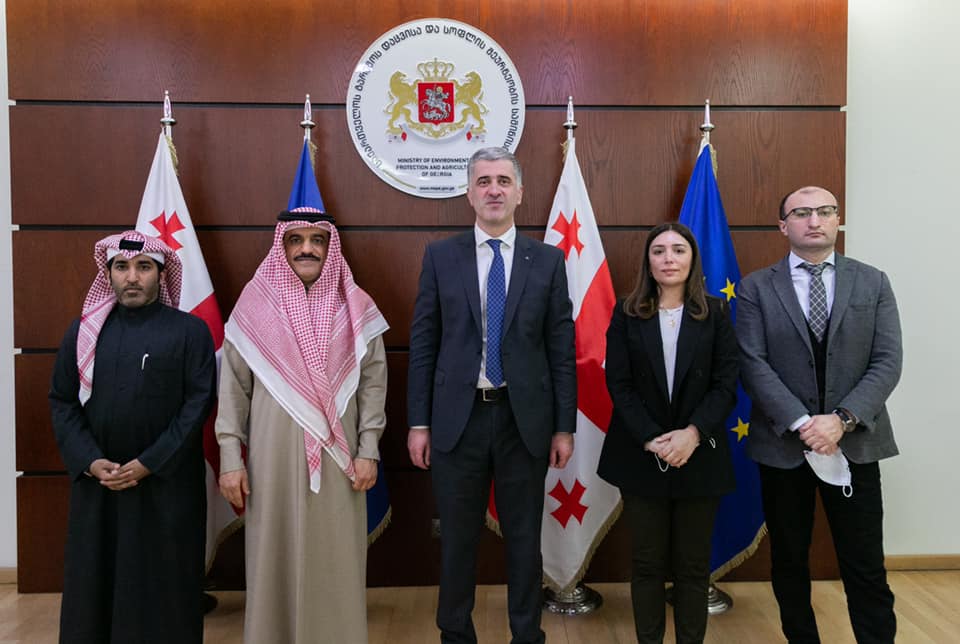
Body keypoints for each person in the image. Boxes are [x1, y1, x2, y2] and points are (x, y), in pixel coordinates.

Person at [407, 146, 577, 644]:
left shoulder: (548, 260)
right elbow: (424, 343)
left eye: (504, 181)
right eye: (484, 182)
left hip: (524, 422)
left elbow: (561, 349)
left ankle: (527, 635)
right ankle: (455, 635)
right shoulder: (441, 257)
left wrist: (563, 427)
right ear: (469, 193)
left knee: (524, 540)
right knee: (458, 540)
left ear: (520, 192)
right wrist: (418, 422)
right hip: (456, 422)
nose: (494, 190)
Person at [215, 165, 389, 643]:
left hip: (341, 460)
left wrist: (369, 449)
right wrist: (231, 459)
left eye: (317, 240)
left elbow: (373, 386)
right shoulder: (253, 306)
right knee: (273, 555)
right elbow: (232, 390)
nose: (306, 248)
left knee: (336, 556)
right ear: (283, 246)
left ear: (331, 248)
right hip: (269, 462)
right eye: (296, 240)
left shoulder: (356, 308)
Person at [737, 186, 902, 643]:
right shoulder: (755, 288)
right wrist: (803, 423)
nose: (815, 220)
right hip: (783, 445)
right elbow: (752, 362)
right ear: (783, 225)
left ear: (837, 220)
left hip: (856, 442)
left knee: (865, 562)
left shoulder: (873, 282)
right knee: (789, 559)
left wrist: (841, 420)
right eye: (802, 212)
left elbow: (887, 361)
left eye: (826, 211)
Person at [49, 231, 216, 643]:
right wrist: (90, 461)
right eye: (121, 267)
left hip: (166, 486)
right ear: (108, 274)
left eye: (143, 267)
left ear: (161, 273)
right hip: (99, 486)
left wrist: (148, 463)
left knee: (164, 587)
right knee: (95, 584)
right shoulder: (83, 333)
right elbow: (63, 401)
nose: (132, 277)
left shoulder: (190, 332)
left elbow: (197, 405)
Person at [597, 222, 738, 644]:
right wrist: (652, 438)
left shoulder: (715, 312)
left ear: (692, 259)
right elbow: (619, 383)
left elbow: (726, 384)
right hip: (642, 453)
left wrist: (692, 434)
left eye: (678, 250)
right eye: (659, 251)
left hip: (700, 453)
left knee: (693, 566)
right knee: (647, 564)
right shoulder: (627, 313)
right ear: (648, 261)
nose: (669, 259)